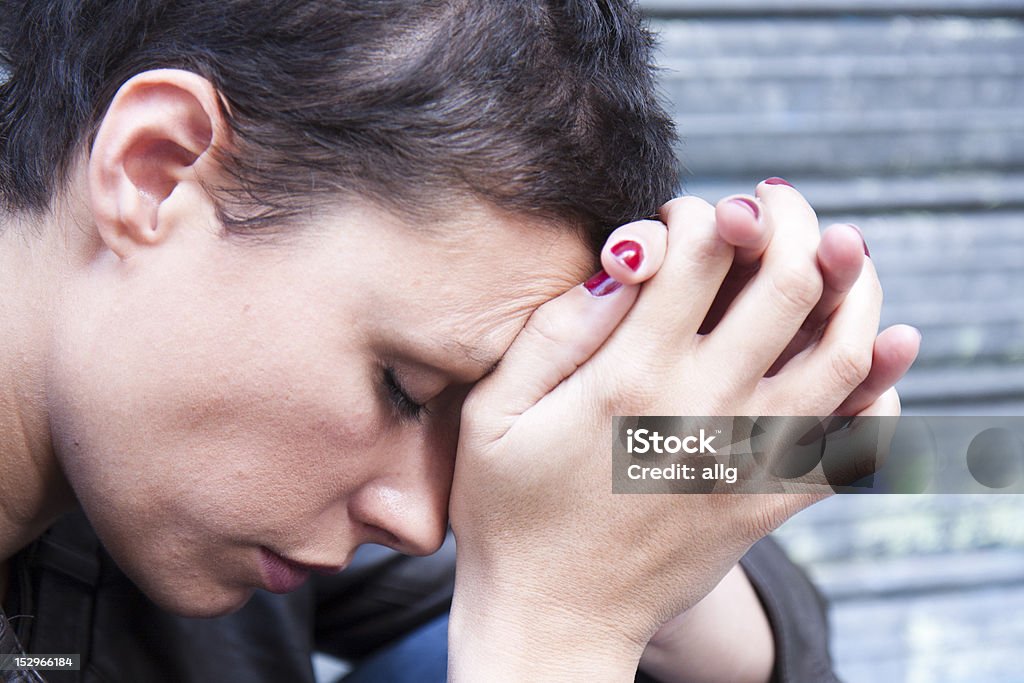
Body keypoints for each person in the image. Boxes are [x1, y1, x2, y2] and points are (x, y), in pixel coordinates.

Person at [0, 1, 921, 681]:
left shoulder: (177, 479)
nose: (418, 519)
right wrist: (557, 633)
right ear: (156, 171)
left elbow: (761, 651)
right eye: (404, 386)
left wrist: (634, 470)